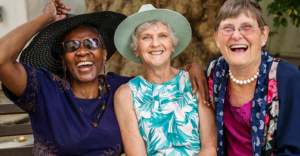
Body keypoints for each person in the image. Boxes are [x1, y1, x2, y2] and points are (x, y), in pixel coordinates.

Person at [0, 0, 209, 155]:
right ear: (63, 60)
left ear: (104, 54)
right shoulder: (44, 89)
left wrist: (193, 67)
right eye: (72, 46)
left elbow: (161, 75)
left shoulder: (118, 87)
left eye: (91, 43)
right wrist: (45, 18)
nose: (82, 51)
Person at [114, 4, 217, 156]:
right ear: (135, 49)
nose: (155, 43)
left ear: (172, 44)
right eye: (146, 37)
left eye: (163, 35)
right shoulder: (126, 95)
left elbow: (210, 148)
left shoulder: (194, 81)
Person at [206, 0, 300, 155]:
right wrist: (192, 68)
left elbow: (294, 151)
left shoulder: (286, 77)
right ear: (217, 38)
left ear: (263, 35)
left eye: (246, 27)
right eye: (228, 28)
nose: (236, 35)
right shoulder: (214, 71)